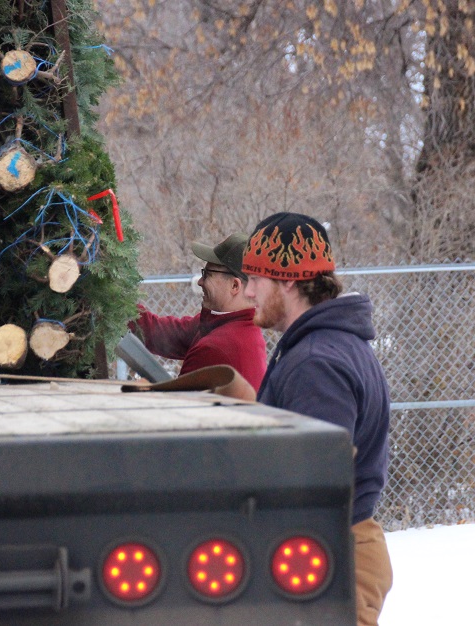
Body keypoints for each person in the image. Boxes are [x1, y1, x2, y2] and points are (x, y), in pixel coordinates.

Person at [241, 212, 393, 626]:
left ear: (288, 280)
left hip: (329, 556)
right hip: (328, 550)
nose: (248, 291)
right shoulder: (327, 346)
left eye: (255, 278)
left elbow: (317, 483)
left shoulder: (316, 363)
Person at [130, 233, 267, 391]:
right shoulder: (223, 324)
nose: (201, 282)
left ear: (234, 286)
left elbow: (177, 403)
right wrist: (121, 305)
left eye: (207, 274)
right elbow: (158, 332)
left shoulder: (215, 348)